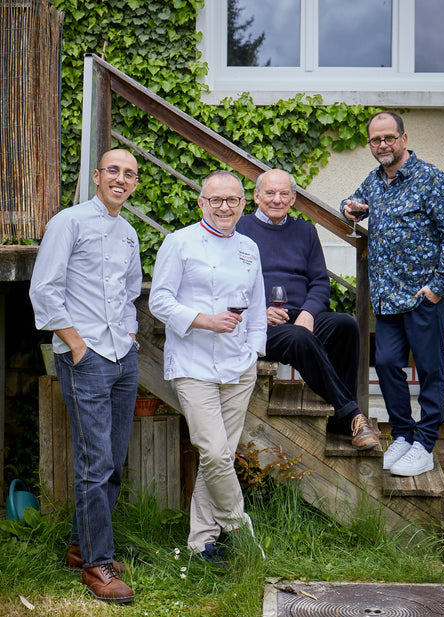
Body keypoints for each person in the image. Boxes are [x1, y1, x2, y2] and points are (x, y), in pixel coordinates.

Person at [29, 149, 142, 603]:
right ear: (96, 176)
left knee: (112, 461)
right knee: (95, 463)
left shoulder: (130, 232)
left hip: (122, 356)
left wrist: (131, 336)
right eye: (113, 170)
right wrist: (77, 344)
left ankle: (82, 546)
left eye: (130, 174)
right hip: (87, 355)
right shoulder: (68, 222)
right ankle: (98, 567)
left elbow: (131, 290)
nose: (121, 178)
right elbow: (45, 287)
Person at [148, 170, 267, 566]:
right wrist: (205, 319)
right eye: (215, 200)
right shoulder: (178, 242)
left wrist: (253, 352)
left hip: (238, 366)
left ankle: (202, 543)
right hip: (193, 362)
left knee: (220, 456)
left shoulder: (250, 247)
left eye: (232, 200)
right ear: (201, 202)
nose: (224, 207)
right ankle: (239, 527)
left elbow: (257, 309)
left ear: (243, 204)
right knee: (214, 452)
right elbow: (159, 302)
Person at [341, 111, 444, 477]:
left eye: (388, 138)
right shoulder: (376, 180)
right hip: (386, 297)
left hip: (422, 296)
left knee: (429, 371)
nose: (382, 145)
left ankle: (425, 444)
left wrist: (438, 287)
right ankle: (403, 434)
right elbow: (353, 202)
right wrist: (348, 207)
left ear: (404, 139)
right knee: (385, 364)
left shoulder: (431, 180)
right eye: (375, 140)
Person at [236, 168, 379, 450]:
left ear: (293, 198)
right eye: (270, 193)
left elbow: (319, 282)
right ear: (256, 196)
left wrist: (308, 313)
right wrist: (258, 311)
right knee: (299, 338)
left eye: (284, 194)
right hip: (257, 324)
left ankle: (339, 419)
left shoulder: (305, 231)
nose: (277, 199)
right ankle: (353, 415)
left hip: (299, 316)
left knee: (345, 325)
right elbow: (227, 285)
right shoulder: (239, 230)